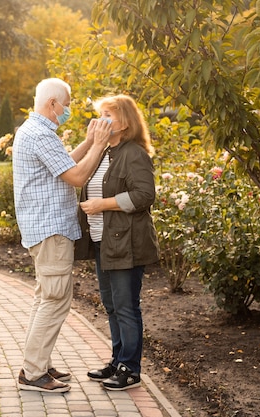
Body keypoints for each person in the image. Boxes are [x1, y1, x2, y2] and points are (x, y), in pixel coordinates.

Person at [12, 78, 112, 393]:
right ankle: (33, 373)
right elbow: (78, 175)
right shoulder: (40, 134)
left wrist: (86, 141)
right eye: (66, 104)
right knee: (55, 300)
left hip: (43, 230)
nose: (68, 109)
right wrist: (99, 144)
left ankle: (37, 363)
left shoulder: (35, 131)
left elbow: (64, 161)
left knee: (46, 298)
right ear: (53, 104)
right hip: (51, 231)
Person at [76, 94, 160, 391]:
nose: (101, 120)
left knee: (126, 307)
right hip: (103, 242)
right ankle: (117, 360)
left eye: (108, 114)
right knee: (111, 306)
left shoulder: (134, 153)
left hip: (127, 244)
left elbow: (144, 196)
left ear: (125, 122)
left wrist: (103, 205)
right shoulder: (104, 153)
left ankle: (130, 369)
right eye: (101, 114)